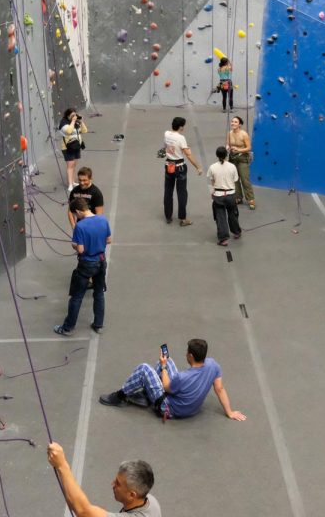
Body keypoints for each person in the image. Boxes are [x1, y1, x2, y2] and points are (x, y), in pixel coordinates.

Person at [99, 338, 246, 423]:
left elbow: (167, 387)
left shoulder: (183, 377)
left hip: (169, 408)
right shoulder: (213, 365)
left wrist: (163, 367)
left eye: (187, 353)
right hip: (191, 408)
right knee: (168, 361)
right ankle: (147, 394)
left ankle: (120, 396)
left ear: (191, 357)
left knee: (145, 368)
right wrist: (230, 412)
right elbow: (219, 389)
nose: (185, 354)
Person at [46, 442, 161, 517]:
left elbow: (84, 511)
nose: (112, 484)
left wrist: (62, 466)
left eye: (118, 484)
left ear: (132, 495)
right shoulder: (150, 501)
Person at [54, 197, 112, 335]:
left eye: (76, 214)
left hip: (87, 263)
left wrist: (74, 244)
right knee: (99, 293)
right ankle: (98, 324)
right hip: (101, 260)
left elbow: (80, 249)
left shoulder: (80, 226)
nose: (76, 217)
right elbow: (108, 240)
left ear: (79, 211)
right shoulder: (103, 219)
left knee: (77, 296)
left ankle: (68, 327)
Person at [163, 117, 202, 226]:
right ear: (181, 127)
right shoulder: (181, 138)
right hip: (179, 167)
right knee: (182, 193)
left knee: (168, 191)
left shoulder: (166, 134)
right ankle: (182, 218)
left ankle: (168, 216)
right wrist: (197, 167)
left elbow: (167, 145)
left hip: (168, 165)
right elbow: (188, 154)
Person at [207, 146, 241, 246]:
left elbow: (212, 181)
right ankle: (236, 232)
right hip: (231, 194)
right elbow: (235, 180)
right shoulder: (232, 166)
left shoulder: (212, 167)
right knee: (233, 214)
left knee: (220, 216)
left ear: (217, 155)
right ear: (226, 155)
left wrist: (212, 192)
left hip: (218, 195)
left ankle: (223, 238)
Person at [59, 107, 88, 191]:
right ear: (68, 115)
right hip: (68, 147)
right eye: (72, 115)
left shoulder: (76, 123)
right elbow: (68, 131)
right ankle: (70, 184)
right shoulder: (63, 123)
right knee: (70, 166)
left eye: (75, 115)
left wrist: (81, 122)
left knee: (74, 165)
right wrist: (73, 121)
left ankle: (73, 181)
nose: (74, 116)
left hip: (76, 146)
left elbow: (84, 130)